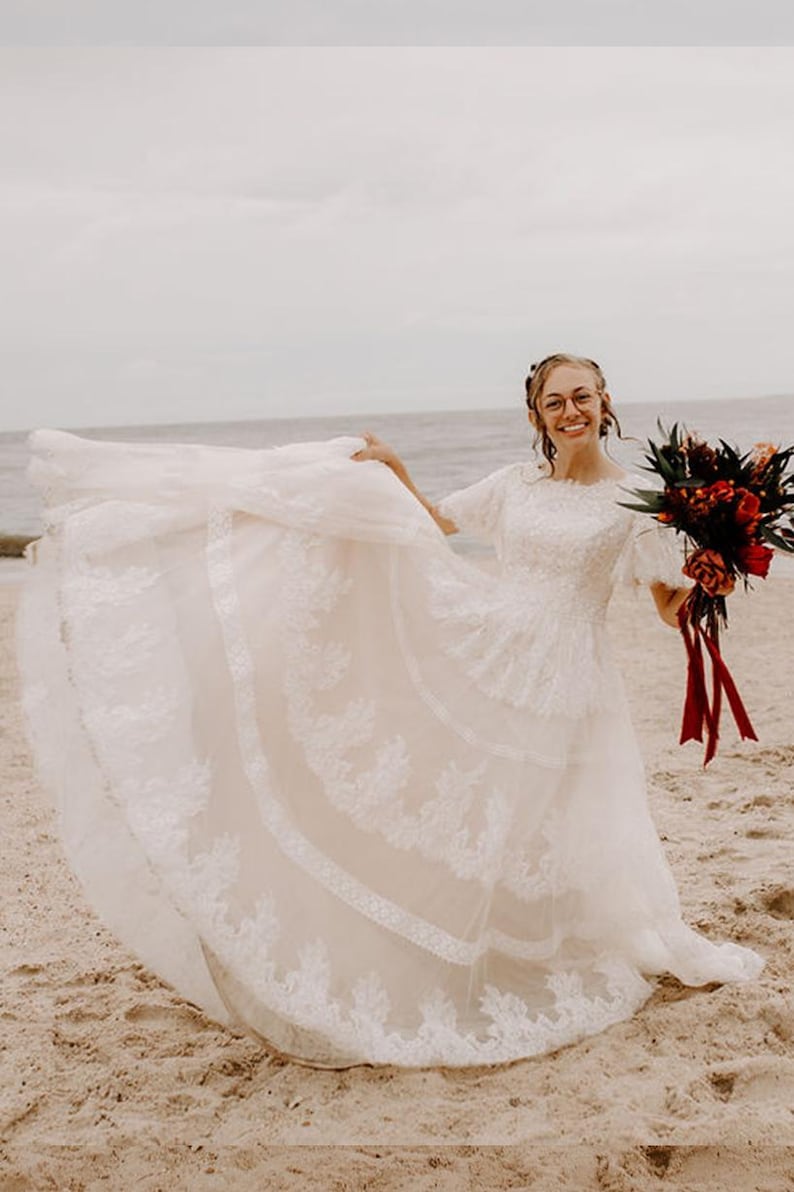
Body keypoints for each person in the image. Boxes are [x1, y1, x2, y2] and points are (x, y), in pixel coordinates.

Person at [17, 352, 763, 1069]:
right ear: (537, 414)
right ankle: (459, 944)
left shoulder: (639, 503)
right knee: (469, 793)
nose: (571, 411)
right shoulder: (515, 485)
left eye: (582, 397)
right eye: (554, 401)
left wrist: (713, 575)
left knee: (543, 812)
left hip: (568, 672)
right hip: (490, 641)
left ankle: (523, 945)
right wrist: (395, 473)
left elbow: (669, 608)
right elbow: (437, 525)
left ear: (606, 403)